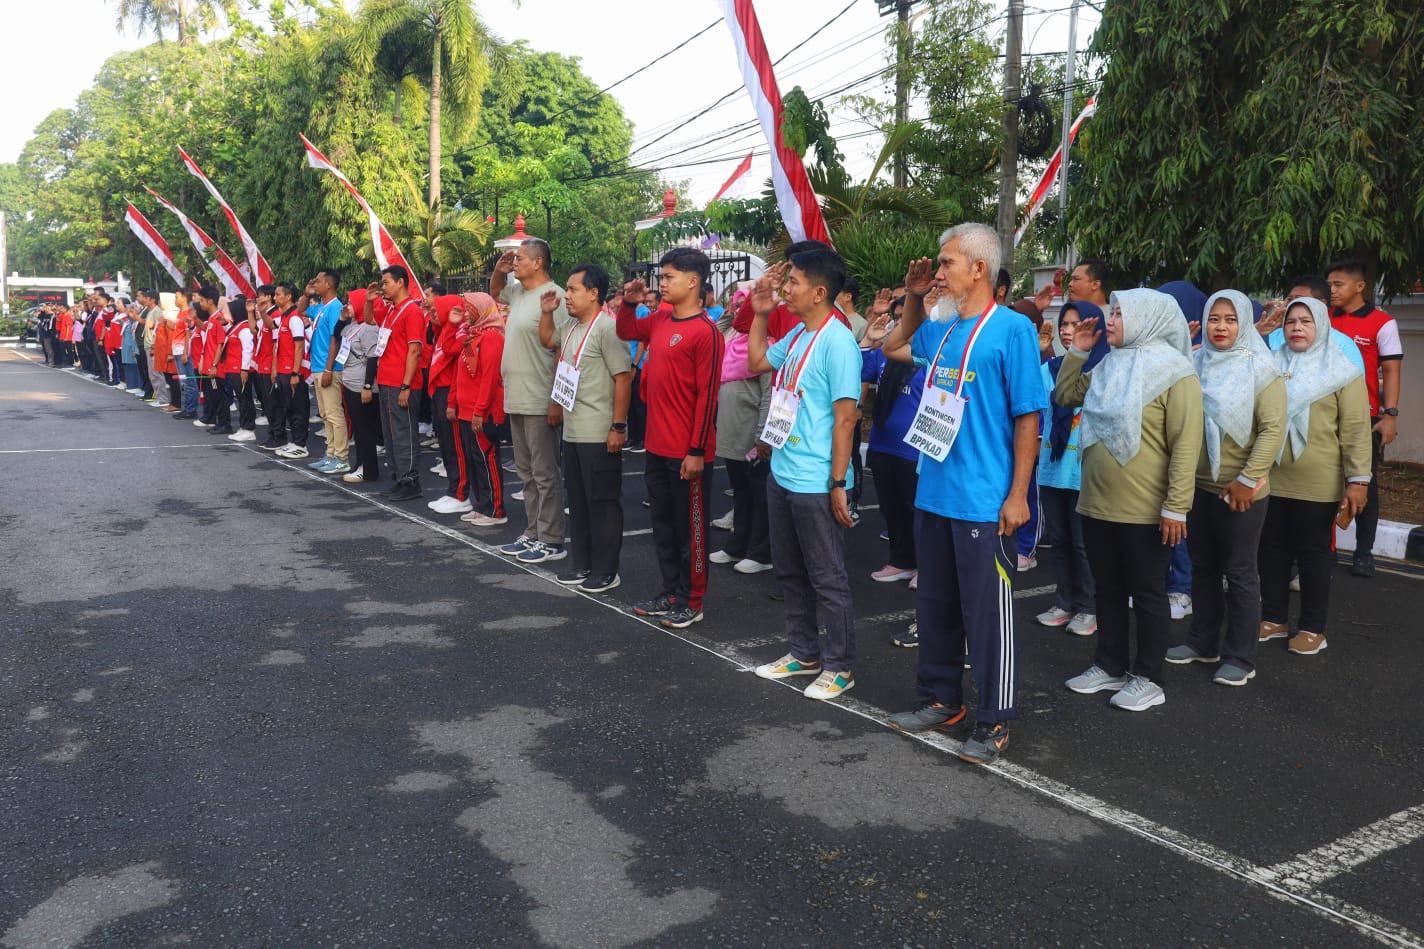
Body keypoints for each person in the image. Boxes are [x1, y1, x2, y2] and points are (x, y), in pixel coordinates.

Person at [879, 223, 1047, 765]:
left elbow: (1029, 418)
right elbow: (893, 345)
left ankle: (994, 719)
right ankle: (941, 699)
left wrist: (1018, 496)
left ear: (979, 268)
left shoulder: (1012, 330)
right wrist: (913, 297)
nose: (938, 271)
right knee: (935, 607)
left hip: (984, 499)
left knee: (987, 617)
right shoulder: (944, 329)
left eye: (947, 262)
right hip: (934, 493)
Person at [1056, 289, 1203, 712]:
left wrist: (1176, 506)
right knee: (1108, 590)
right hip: (1097, 502)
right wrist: (1078, 352)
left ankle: (1149, 678)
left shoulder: (1177, 372)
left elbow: (1186, 444)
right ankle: (1110, 665)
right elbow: (1065, 396)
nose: (1111, 320)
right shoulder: (1109, 364)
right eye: (1113, 312)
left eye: (1121, 313)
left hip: (1145, 509)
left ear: (1146, 318)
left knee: (1148, 593)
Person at [746, 249, 864, 701]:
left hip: (816, 481)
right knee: (790, 572)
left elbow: (846, 419)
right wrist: (761, 314)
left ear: (819, 292)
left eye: (793, 282)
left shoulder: (838, 343)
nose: (785, 289)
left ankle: (840, 666)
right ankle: (803, 653)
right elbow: (758, 362)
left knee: (827, 578)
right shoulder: (799, 333)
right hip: (783, 472)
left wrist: (838, 483)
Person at [1165, 291, 1286, 685]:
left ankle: (1240, 657)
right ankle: (1203, 642)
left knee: (1240, 573)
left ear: (1244, 324)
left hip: (1242, 489)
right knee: (1203, 567)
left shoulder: (1261, 369)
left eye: (1231, 320)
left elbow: (1272, 429)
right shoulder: (1194, 363)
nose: (1220, 327)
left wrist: (1248, 480)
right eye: (1214, 318)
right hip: (1199, 484)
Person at [1258, 297, 1372, 656]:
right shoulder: (1269, 364)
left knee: (1312, 555)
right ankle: (1273, 618)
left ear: (1321, 325)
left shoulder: (1342, 371)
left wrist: (1358, 481)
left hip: (1317, 482)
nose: (1297, 328)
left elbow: (1355, 429)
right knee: (1271, 550)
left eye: (1306, 321)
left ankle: (1312, 628)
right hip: (1270, 477)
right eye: (1291, 321)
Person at [617, 248, 724, 630]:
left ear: (693, 282)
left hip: (687, 452)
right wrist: (629, 304)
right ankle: (671, 591)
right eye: (661, 277)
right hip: (657, 446)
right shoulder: (661, 319)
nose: (661, 283)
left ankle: (692, 600)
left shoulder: (707, 332)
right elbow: (626, 330)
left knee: (690, 530)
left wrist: (696, 450)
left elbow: (707, 396)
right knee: (663, 525)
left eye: (669, 277)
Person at [538, 263, 632, 588]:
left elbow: (623, 379)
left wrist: (617, 427)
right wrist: (546, 312)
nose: (567, 295)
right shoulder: (569, 326)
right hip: (574, 431)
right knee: (577, 503)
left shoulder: (608, 329)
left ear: (593, 293)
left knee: (603, 503)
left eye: (573, 289)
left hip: (599, 431)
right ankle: (583, 565)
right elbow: (547, 339)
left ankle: (606, 571)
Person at [492, 238, 569, 563]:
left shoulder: (555, 296)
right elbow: (496, 292)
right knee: (526, 472)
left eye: (520, 258)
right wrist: (499, 270)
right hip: (517, 396)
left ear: (538, 262)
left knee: (544, 473)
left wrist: (556, 401)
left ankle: (551, 539)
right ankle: (534, 532)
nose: (515, 263)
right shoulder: (519, 293)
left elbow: (562, 350)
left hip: (540, 397)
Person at [1326, 259, 1403, 578]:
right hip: (1325, 414)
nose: (1331, 290)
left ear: (1360, 287)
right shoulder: (1323, 317)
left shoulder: (1382, 323)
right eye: (1329, 285)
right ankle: (1326, 550)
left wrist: (1390, 415)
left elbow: (1391, 370)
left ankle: (1363, 551)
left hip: (1365, 416)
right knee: (1325, 482)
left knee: (1363, 483)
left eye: (1338, 284)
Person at [1035, 301, 1100, 637]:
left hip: (1082, 472)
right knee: (1059, 540)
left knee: (1082, 544)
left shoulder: (1101, 369)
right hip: (1052, 466)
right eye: (1064, 323)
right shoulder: (1050, 368)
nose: (1067, 330)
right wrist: (1041, 351)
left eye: (1076, 324)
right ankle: (1064, 601)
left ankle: (1089, 607)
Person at [860, 288, 924, 596]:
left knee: (917, 512)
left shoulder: (930, 354)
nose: (900, 323)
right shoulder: (884, 352)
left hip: (914, 450)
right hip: (883, 444)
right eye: (897, 317)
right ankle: (901, 560)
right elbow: (860, 371)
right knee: (891, 508)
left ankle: (926, 566)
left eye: (906, 317)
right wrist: (867, 339)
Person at [710, 291, 773, 574]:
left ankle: (760, 553)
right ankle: (737, 546)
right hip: (731, 432)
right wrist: (730, 313)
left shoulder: (767, 346)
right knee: (740, 493)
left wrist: (762, 437)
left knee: (757, 496)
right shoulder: (733, 342)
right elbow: (716, 333)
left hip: (751, 436)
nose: (739, 310)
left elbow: (768, 396)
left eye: (742, 305)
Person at [449, 292, 508, 527]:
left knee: (486, 460)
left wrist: (479, 411)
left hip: (482, 412)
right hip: (467, 411)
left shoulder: (492, 337)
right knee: (474, 461)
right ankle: (481, 505)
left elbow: (490, 378)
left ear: (480, 310)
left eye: (468, 308)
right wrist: (454, 403)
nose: (465, 312)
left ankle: (495, 510)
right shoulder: (472, 335)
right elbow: (458, 370)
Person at [372, 266, 426, 500]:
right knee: (391, 432)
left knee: (404, 432)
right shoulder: (392, 310)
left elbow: (414, 351)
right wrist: (370, 300)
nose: (383, 287)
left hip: (401, 382)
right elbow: (369, 317)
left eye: (386, 283)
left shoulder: (411, 311)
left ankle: (410, 480)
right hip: (387, 379)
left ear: (401, 282)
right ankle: (398, 476)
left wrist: (406, 385)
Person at [425, 294, 472, 514]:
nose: (432, 313)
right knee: (445, 445)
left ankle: (461, 493)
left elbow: (451, 349)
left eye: (437, 310)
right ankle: (453, 489)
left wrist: (452, 324)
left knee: (455, 448)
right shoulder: (443, 329)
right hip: (439, 391)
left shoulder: (460, 329)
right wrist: (441, 324)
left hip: (450, 392)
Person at [307, 269, 350, 474]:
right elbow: (301, 310)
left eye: (319, 281)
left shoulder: (335, 307)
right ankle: (331, 454)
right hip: (318, 367)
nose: (315, 283)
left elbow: (336, 339)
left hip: (328, 368)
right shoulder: (321, 307)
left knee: (334, 414)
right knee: (325, 414)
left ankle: (342, 457)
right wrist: (306, 293)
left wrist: (328, 368)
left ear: (329, 285)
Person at [339, 289, 382, 484]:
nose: (347, 306)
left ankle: (369, 470)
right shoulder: (352, 326)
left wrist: (367, 386)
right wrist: (342, 319)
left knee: (365, 430)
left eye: (350, 302)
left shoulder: (369, 328)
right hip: (350, 383)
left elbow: (372, 358)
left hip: (361, 386)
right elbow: (336, 335)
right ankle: (360, 463)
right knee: (357, 428)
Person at [271, 282, 311, 459]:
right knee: (289, 406)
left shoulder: (294, 318)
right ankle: (295, 441)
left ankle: (301, 444)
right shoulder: (284, 317)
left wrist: (295, 373)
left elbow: (299, 346)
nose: (275, 297)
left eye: (278, 294)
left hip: (292, 371)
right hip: (283, 370)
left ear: (288, 297)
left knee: (298, 407)